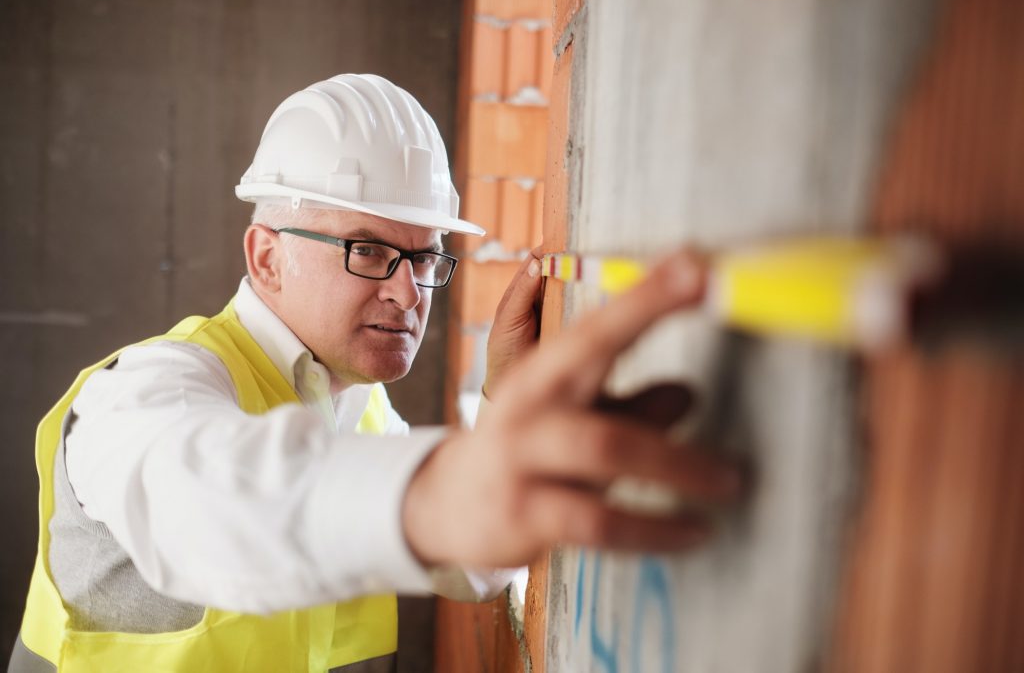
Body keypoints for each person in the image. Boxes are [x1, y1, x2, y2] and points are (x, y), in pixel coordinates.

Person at [9, 74, 741, 673]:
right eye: (367, 249)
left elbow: (465, 559)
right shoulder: (143, 394)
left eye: (426, 258)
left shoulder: (356, 407)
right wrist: (429, 491)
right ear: (266, 257)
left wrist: (505, 405)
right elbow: (199, 494)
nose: (409, 290)